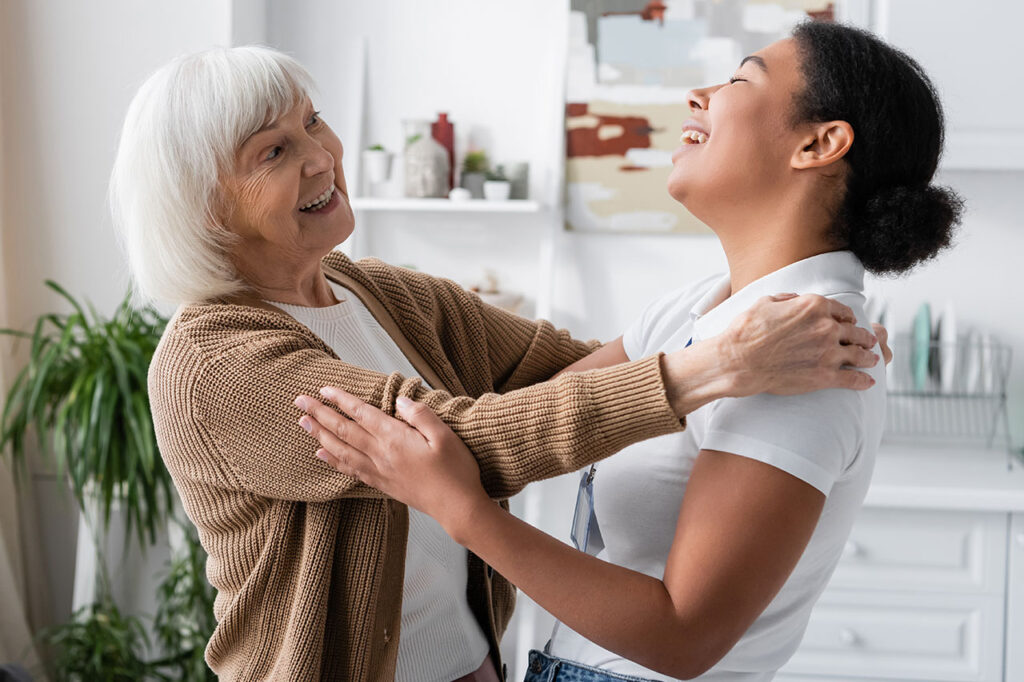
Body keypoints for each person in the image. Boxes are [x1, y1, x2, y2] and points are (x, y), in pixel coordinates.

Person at [113, 46, 883, 681]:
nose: (321, 158)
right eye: (276, 151)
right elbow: (445, 449)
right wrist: (713, 369)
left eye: (313, 123)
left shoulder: (378, 292)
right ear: (207, 207)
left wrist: (723, 349)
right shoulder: (212, 363)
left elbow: (564, 386)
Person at [297, 22, 962, 682]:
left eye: (738, 79)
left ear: (820, 143)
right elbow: (535, 418)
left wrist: (465, 514)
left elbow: (682, 638)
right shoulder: (703, 308)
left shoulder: (806, 362)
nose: (699, 96)